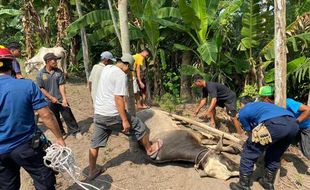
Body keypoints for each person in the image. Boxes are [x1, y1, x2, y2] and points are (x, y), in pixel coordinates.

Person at [88, 53, 163, 180]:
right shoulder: (120, 75)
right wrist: (124, 120)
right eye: (129, 69)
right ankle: (149, 149)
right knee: (140, 126)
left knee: (94, 144)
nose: (129, 72)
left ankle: (92, 171)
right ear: (126, 65)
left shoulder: (107, 68)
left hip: (99, 113)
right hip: (112, 114)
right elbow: (118, 98)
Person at [0, 46, 66, 189]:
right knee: (44, 178)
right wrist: (59, 138)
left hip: (1, 151)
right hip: (26, 146)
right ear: (11, 64)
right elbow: (46, 115)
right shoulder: (26, 85)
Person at [230, 96, 299, 190]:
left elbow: (250, 131)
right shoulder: (263, 105)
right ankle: (267, 182)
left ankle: (243, 185)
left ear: (242, 104)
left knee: (248, 152)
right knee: (275, 154)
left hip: (275, 124)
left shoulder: (244, 110)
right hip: (293, 125)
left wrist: (249, 143)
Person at [36, 53, 81, 137]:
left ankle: (75, 131)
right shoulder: (40, 74)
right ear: (48, 61)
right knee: (54, 118)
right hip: (48, 101)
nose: (56, 62)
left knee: (68, 115)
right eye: (54, 60)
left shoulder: (58, 71)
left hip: (60, 99)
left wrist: (64, 99)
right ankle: (61, 132)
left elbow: (61, 85)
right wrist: (51, 97)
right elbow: (41, 88)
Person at [259, 85, 310, 159]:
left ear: (266, 98)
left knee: (307, 152)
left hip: (306, 127)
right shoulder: (272, 106)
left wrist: (297, 121)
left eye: (261, 98)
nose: (261, 101)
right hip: (294, 128)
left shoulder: (287, 102)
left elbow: (308, 110)